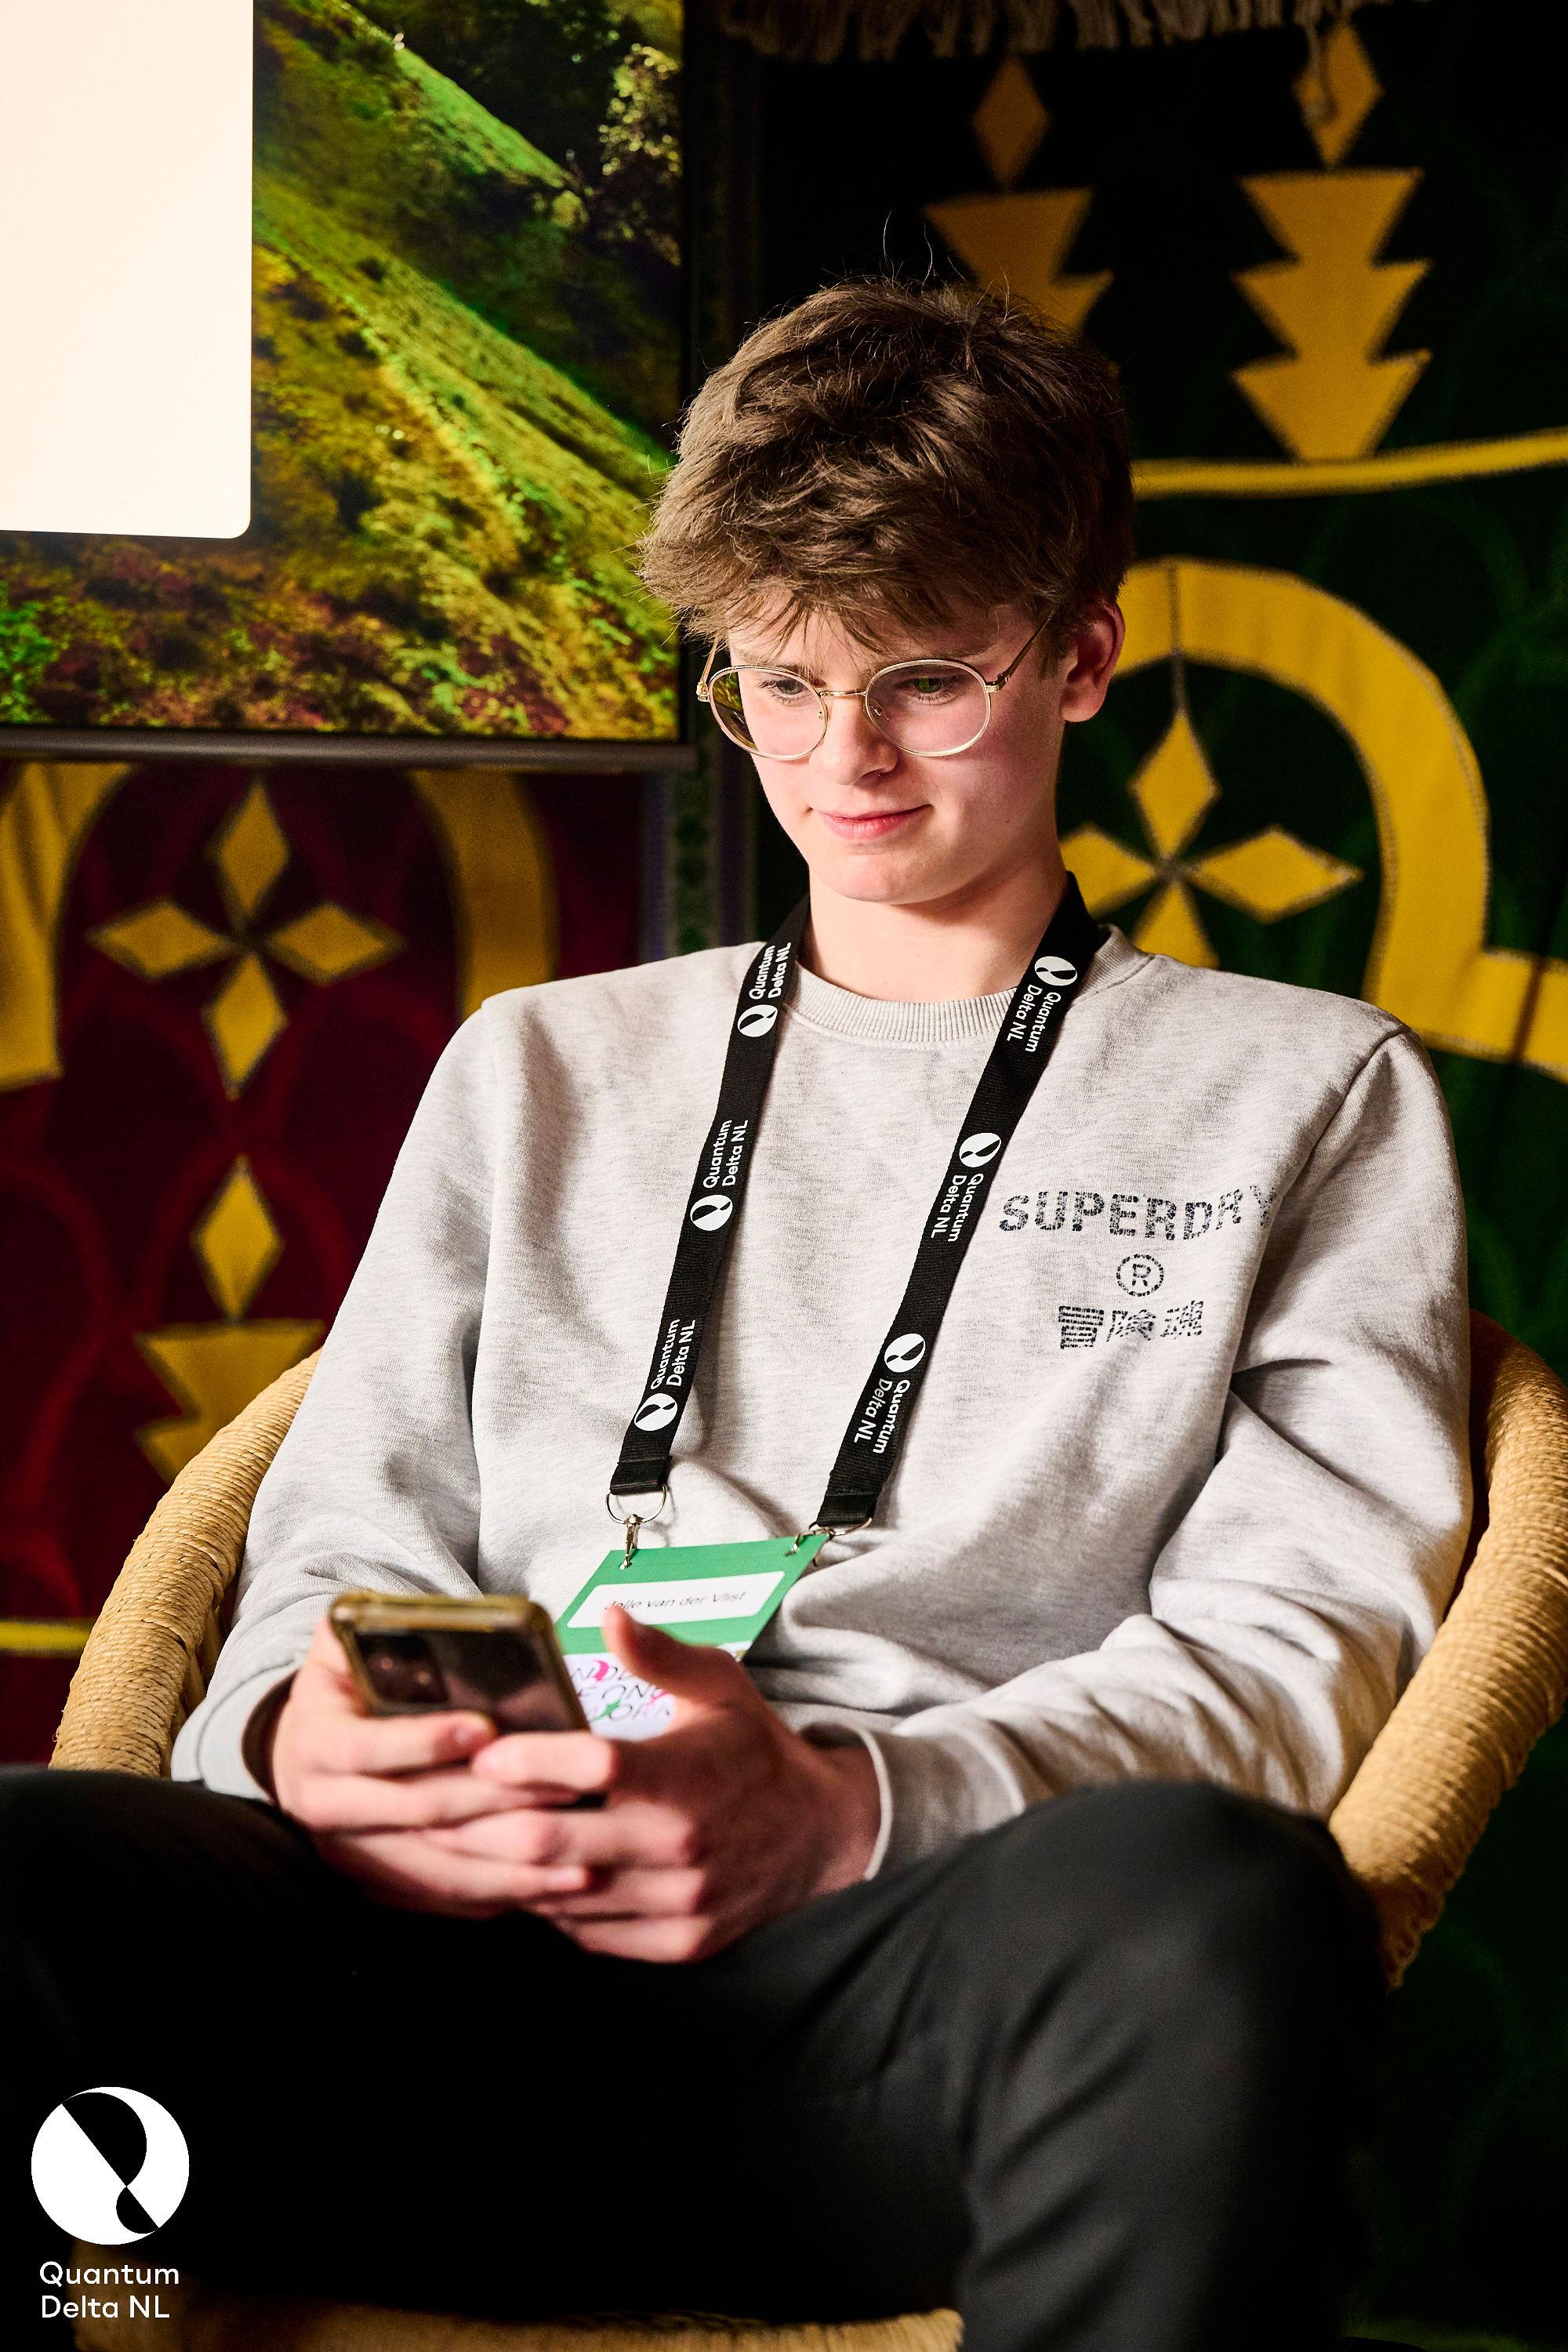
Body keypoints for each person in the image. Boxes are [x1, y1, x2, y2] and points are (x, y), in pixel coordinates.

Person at [2, 280, 1469, 2351]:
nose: (841, 754)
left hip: (911, 2004)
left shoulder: (1307, 1091)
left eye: (924, 679)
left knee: (1219, 1916)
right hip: (445, 1992)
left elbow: (1299, 1654)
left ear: (1081, 655)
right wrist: (297, 1745)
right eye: (781, 680)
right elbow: (335, 1546)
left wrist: (842, 1809)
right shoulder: (538, 1067)